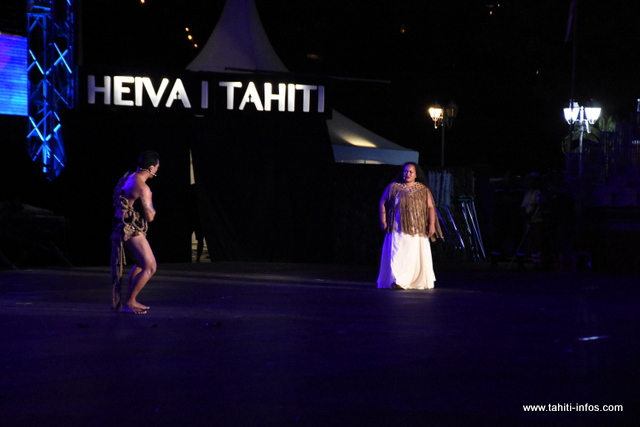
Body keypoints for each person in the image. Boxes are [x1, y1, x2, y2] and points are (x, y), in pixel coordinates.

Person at [377, 162, 441, 290]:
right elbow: (382, 202)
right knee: (396, 253)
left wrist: (431, 224)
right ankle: (397, 280)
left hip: (416, 228)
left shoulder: (422, 190)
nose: (408, 174)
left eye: (411, 172)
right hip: (397, 227)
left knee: (413, 255)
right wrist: (383, 220)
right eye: (405, 171)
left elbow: (430, 207)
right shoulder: (394, 187)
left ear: (416, 174)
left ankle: (411, 281)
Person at [110, 151, 160, 314]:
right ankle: (130, 302)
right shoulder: (143, 188)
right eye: (157, 168)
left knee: (140, 263)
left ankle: (130, 300)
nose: (157, 171)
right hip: (130, 230)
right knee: (150, 266)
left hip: (120, 227)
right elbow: (150, 217)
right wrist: (151, 206)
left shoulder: (128, 177)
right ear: (151, 168)